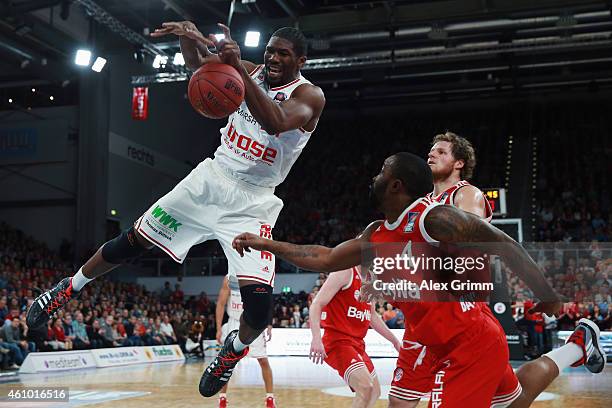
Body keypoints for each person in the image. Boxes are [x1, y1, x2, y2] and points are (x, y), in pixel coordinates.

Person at [26, 21, 325, 399]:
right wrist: (188, 36)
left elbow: (277, 121)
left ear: (301, 59)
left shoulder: (310, 95)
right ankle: (67, 289)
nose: (273, 57)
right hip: (211, 178)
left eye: (283, 53)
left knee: (260, 310)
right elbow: (199, 65)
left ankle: (231, 352)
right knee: (133, 240)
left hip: (254, 201)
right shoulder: (253, 71)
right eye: (270, 50)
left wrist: (238, 66)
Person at [232, 152, 606, 407]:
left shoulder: (434, 219)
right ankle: (578, 343)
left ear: (396, 185)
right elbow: (325, 257)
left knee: (509, 400)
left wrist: (548, 295)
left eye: (381, 171)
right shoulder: (376, 233)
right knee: (513, 400)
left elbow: (504, 244)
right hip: (431, 340)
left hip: (468, 340)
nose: (373, 177)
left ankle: (575, 342)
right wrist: (267, 243)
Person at [309, 266, 401, 408]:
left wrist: (394, 340)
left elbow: (372, 316)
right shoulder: (345, 271)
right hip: (338, 341)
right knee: (365, 387)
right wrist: (316, 337)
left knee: (375, 391)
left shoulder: (372, 279)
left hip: (358, 344)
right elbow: (317, 304)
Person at [215, 276, 276, 408]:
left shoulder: (256, 275)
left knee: (263, 360)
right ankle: (222, 398)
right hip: (234, 323)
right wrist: (219, 328)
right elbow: (220, 303)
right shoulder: (229, 278)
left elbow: (267, 303)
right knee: (226, 363)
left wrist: (269, 324)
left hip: (253, 322)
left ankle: (270, 398)